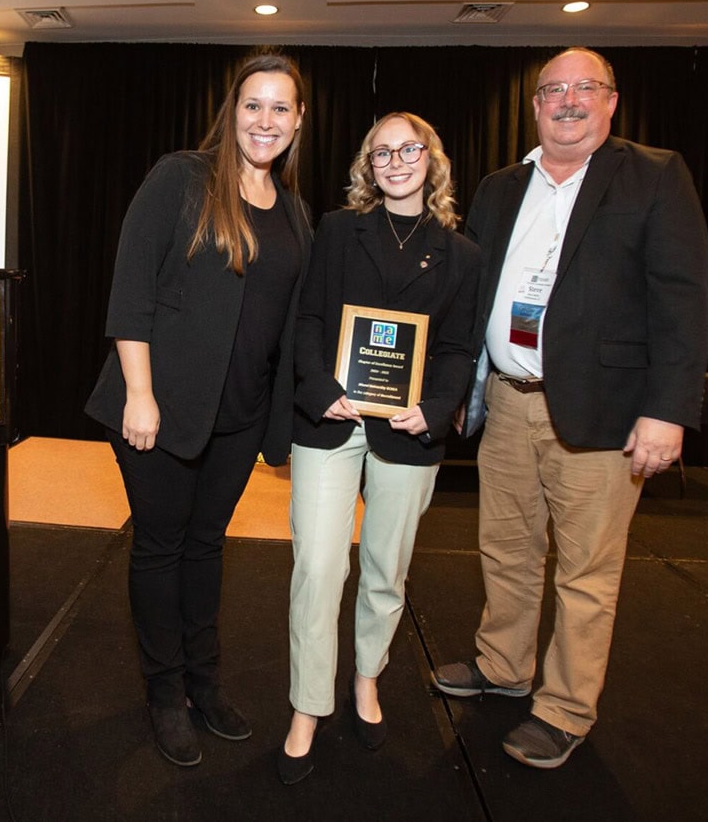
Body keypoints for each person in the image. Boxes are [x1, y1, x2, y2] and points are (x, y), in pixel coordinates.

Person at [431, 48, 708, 769]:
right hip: (508, 398)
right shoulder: (501, 188)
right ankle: (503, 666)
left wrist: (668, 410)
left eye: (583, 88)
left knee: (586, 571)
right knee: (506, 549)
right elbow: (472, 292)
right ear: (534, 106)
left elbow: (685, 302)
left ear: (611, 101)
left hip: (608, 413)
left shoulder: (653, 175)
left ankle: (563, 710)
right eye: (552, 90)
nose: (566, 101)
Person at [84, 53, 310, 768]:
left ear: (298, 120)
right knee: (160, 547)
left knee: (206, 546)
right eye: (253, 105)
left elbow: (289, 321)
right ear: (231, 112)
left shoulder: (297, 212)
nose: (265, 120)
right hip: (160, 408)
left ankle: (205, 685)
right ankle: (164, 695)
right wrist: (140, 395)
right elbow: (131, 292)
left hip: (239, 419)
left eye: (280, 108)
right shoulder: (181, 178)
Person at [278, 113, 481, 784]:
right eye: (381, 152)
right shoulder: (337, 232)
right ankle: (308, 705)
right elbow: (307, 318)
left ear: (433, 160)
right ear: (368, 166)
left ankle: (366, 679)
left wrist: (434, 408)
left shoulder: (462, 255)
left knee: (386, 571)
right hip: (331, 423)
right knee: (319, 568)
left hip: (408, 432)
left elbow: (456, 349)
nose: (395, 160)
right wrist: (318, 387)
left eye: (408, 149)